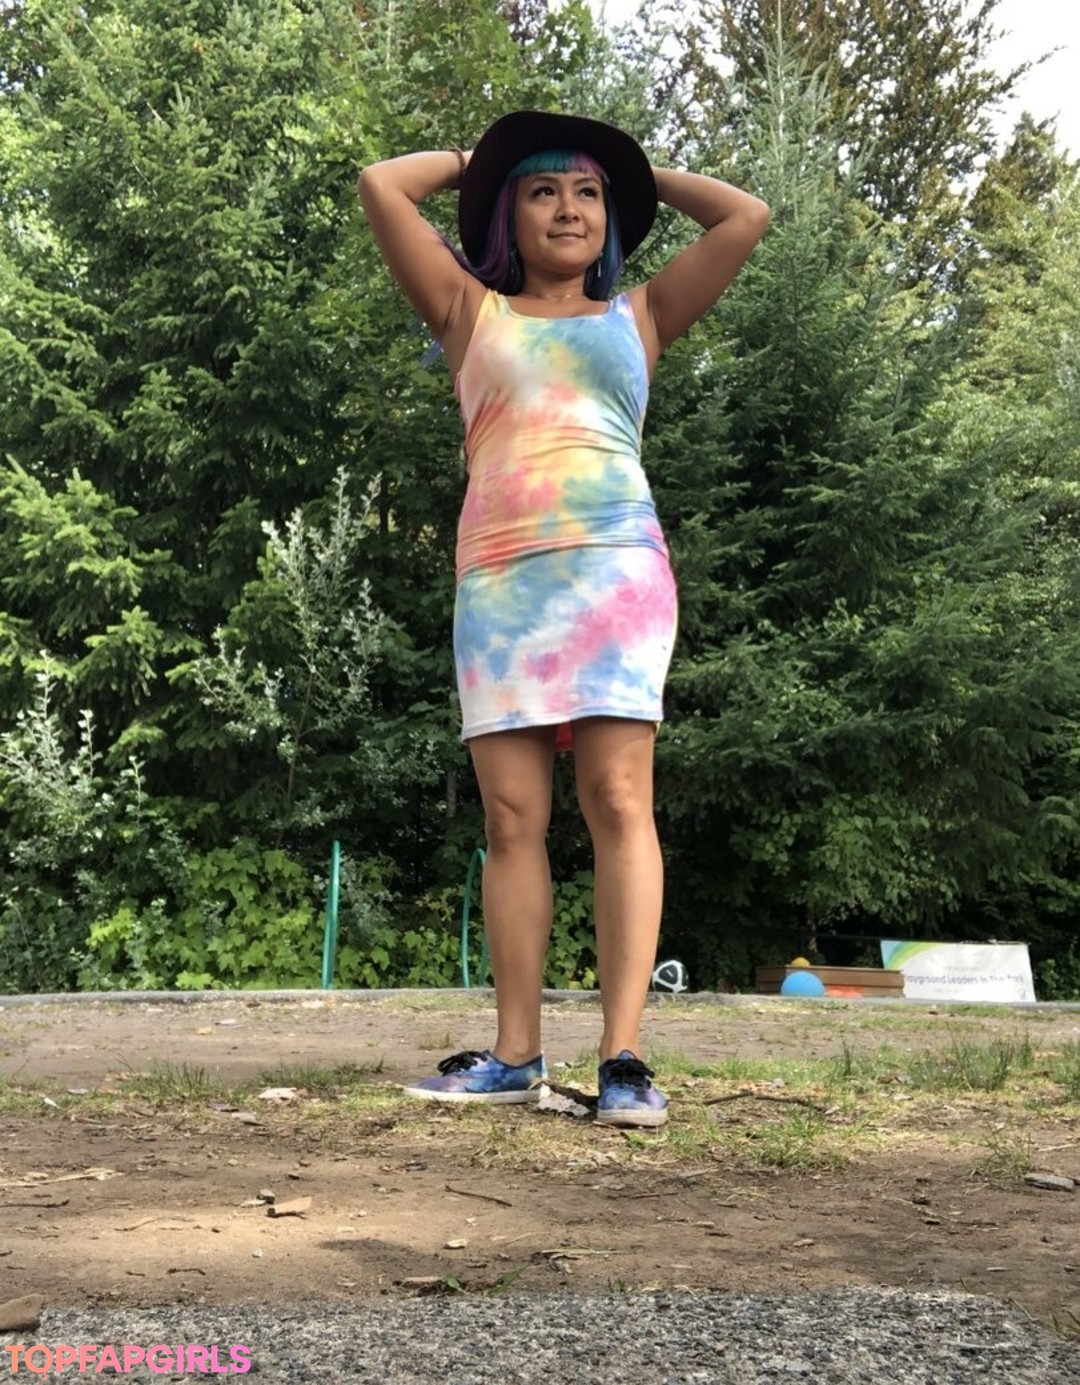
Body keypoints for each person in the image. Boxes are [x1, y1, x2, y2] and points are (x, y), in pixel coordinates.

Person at [357, 111, 768, 1128]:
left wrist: (633, 168)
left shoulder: (642, 313)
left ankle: (623, 1058)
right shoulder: (468, 309)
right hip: (502, 589)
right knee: (510, 819)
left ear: (611, 216)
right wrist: (480, 159)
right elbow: (380, 185)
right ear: (508, 212)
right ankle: (516, 1054)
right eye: (542, 189)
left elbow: (744, 216)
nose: (569, 208)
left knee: (620, 800)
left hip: (617, 579)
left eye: (588, 192)